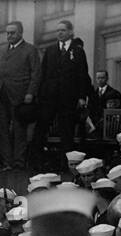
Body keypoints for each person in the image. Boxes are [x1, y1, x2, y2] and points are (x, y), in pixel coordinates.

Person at [0, 20, 41, 171]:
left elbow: (36, 73)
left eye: (12, 33)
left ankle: (18, 163)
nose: (9, 36)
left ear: (20, 33)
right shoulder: (2, 51)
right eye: (7, 33)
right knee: (1, 131)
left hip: (19, 96)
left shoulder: (30, 50)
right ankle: (7, 163)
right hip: (0, 95)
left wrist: (30, 92)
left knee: (19, 131)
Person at [36, 19, 90, 158]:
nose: (60, 33)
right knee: (41, 128)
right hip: (50, 97)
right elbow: (44, 73)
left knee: (67, 131)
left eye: (63, 30)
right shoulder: (50, 50)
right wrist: (42, 94)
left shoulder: (77, 51)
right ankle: (37, 162)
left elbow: (82, 75)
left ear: (70, 32)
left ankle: (66, 163)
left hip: (68, 98)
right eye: (58, 30)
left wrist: (82, 97)